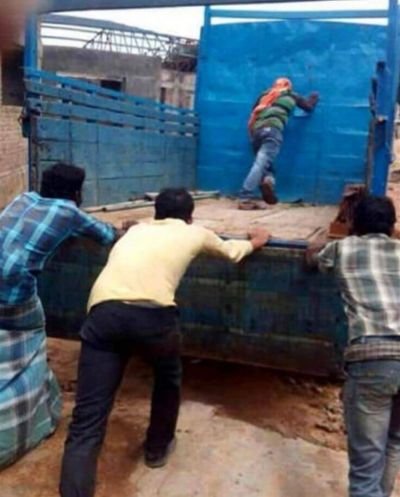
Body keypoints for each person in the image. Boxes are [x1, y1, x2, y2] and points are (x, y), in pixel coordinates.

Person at [59, 187, 270, 497]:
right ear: (190, 216)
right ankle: (157, 449)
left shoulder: (135, 231)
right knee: (167, 379)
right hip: (154, 319)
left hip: (104, 316)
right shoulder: (195, 233)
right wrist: (256, 241)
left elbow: (130, 230)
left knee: (87, 417)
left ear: (155, 212)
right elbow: (231, 252)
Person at [0, 162, 117, 469]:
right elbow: (106, 235)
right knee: (33, 343)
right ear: (76, 193)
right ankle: (36, 408)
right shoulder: (69, 212)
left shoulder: (22, 198)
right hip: (15, 301)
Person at [307, 194, 400, 497]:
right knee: (394, 443)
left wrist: (322, 235)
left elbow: (311, 257)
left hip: (374, 359)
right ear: (392, 226)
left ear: (353, 224)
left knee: (365, 469)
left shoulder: (342, 249)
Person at [238, 77, 319, 210]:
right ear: (288, 86)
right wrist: (314, 97)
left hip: (256, 132)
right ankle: (245, 197)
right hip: (273, 130)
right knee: (260, 164)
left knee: (265, 164)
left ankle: (268, 181)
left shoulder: (264, 95)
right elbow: (308, 107)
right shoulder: (292, 95)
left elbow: (254, 111)